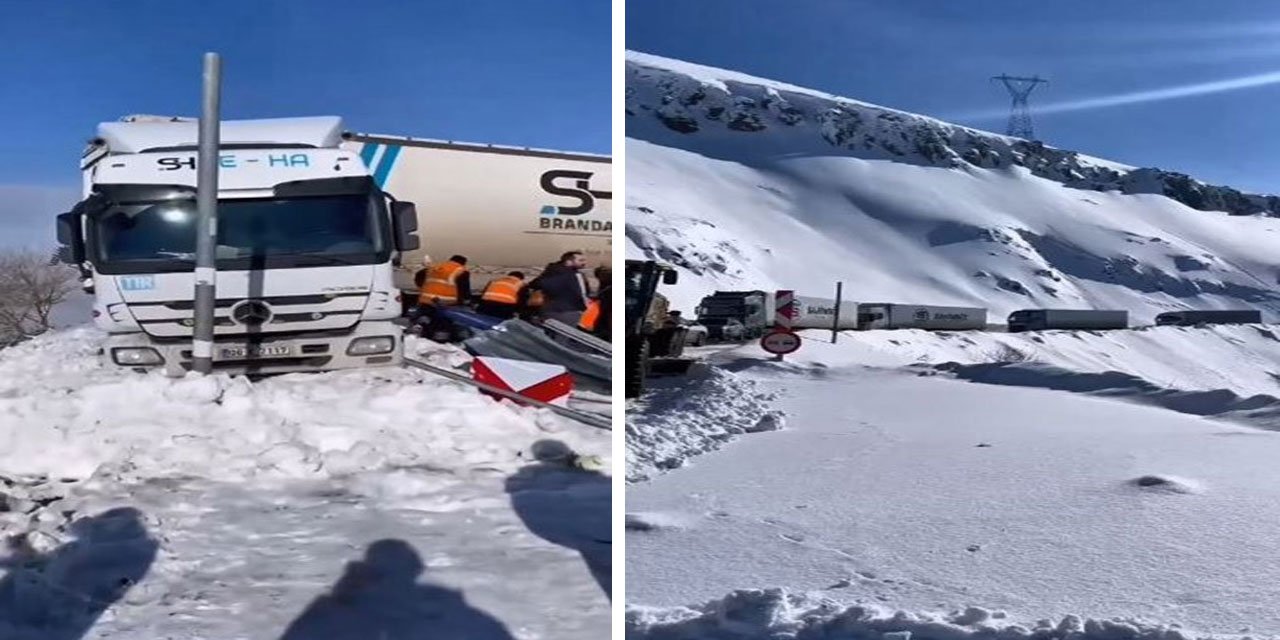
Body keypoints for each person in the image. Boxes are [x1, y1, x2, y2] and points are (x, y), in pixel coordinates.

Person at [526, 251, 590, 326]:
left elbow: (534, 284)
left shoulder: (550, 271)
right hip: (570, 311)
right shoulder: (576, 275)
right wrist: (584, 308)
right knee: (566, 334)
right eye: (581, 260)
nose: (584, 262)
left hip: (548, 310)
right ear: (568, 262)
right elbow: (582, 294)